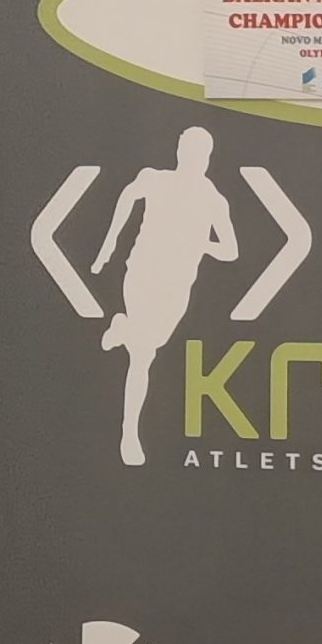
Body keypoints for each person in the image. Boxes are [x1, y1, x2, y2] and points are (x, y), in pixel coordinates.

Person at [90, 125, 238, 469]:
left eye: (198, 153)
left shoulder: (213, 200)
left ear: (207, 158)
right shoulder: (155, 179)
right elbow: (128, 197)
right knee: (143, 355)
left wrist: (201, 245)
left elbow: (231, 250)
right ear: (179, 151)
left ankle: (122, 327)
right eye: (186, 150)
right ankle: (129, 433)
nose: (191, 157)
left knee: (151, 342)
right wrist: (109, 245)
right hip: (142, 273)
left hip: (177, 285)